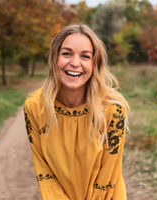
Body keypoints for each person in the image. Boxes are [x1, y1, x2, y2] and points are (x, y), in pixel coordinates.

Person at [23, 24, 130, 200]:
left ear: (95, 64)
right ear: (54, 58)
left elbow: (107, 177)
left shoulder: (112, 110)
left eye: (85, 56)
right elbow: (44, 172)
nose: (75, 63)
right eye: (66, 53)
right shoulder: (34, 107)